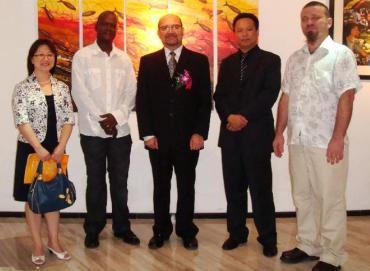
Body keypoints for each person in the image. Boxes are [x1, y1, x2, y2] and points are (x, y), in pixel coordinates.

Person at [273, 2, 361, 271]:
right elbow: (285, 97)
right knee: (303, 196)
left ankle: (333, 255)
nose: (309, 22)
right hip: (298, 140)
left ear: (328, 22)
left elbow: (346, 97)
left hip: (326, 142)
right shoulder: (295, 58)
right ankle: (308, 244)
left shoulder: (341, 55)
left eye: (315, 18)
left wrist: (338, 138)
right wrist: (279, 133)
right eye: (305, 19)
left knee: (330, 199)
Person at [136, 14, 212, 250]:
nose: (170, 31)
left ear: (182, 30)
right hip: (157, 139)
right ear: (159, 32)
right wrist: (147, 134)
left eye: (175, 26)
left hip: (188, 139)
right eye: (165, 27)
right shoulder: (147, 62)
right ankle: (160, 231)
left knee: (186, 186)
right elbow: (143, 101)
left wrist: (200, 132)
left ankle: (186, 230)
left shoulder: (198, 61)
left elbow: (204, 101)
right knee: (161, 187)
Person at [213, 13, 281, 256]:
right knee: (234, 189)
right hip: (230, 136)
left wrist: (243, 117)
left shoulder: (271, 61)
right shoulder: (228, 63)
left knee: (261, 189)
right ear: (235, 33)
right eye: (239, 30)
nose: (244, 34)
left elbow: (269, 94)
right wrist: (229, 117)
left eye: (249, 29)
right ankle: (236, 233)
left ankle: (268, 238)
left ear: (256, 31)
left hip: (257, 136)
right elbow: (218, 96)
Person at [71, 11, 138, 249]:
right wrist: (103, 119)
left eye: (113, 25)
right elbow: (79, 93)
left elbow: (131, 93)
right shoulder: (82, 57)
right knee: (96, 181)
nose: (108, 28)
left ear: (116, 29)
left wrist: (116, 118)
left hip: (120, 133)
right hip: (92, 133)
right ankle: (93, 228)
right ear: (96, 27)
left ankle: (122, 228)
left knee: (120, 182)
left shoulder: (124, 59)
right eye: (104, 24)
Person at [12, 39, 74, 265]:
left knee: (55, 195)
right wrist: (39, 148)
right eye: (40, 55)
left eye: (49, 54)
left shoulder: (62, 87)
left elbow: (68, 120)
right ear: (32, 59)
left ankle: (54, 241)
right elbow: (22, 121)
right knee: (33, 198)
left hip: (57, 149)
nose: (45, 58)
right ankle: (37, 243)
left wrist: (59, 147)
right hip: (31, 149)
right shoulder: (22, 88)